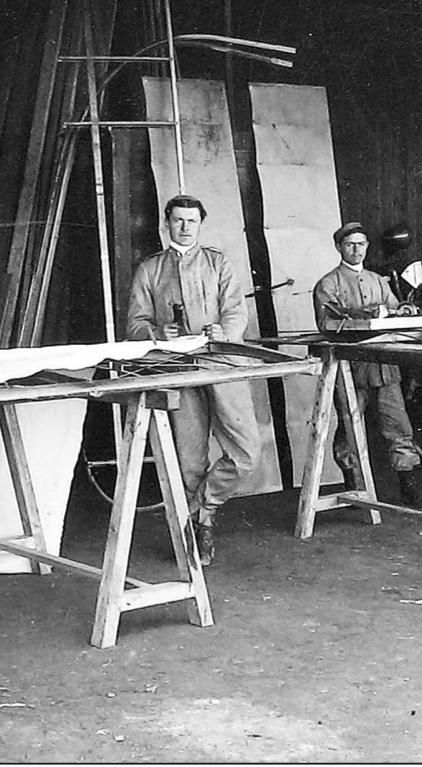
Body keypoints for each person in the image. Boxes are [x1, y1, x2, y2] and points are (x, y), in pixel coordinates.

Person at [125, 195, 260, 566]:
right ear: (166, 223)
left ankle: (203, 508)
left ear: (201, 224)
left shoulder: (218, 263)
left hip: (221, 364)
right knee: (189, 460)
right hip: (179, 370)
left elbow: (236, 311)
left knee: (247, 453)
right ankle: (200, 529)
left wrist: (224, 331)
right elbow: (134, 323)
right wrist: (156, 333)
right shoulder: (150, 269)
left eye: (192, 221)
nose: (185, 227)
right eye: (178, 220)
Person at [313, 222, 422, 511]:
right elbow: (325, 323)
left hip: (384, 368)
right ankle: (354, 487)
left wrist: (406, 311)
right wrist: (360, 316)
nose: (356, 250)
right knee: (349, 427)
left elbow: (395, 313)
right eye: (349, 244)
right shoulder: (328, 284)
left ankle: (408, 487)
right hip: (350, 368)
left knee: (398, 426)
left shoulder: (378, 281)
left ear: (367, 247)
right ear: (339, 248)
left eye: (361, 244)